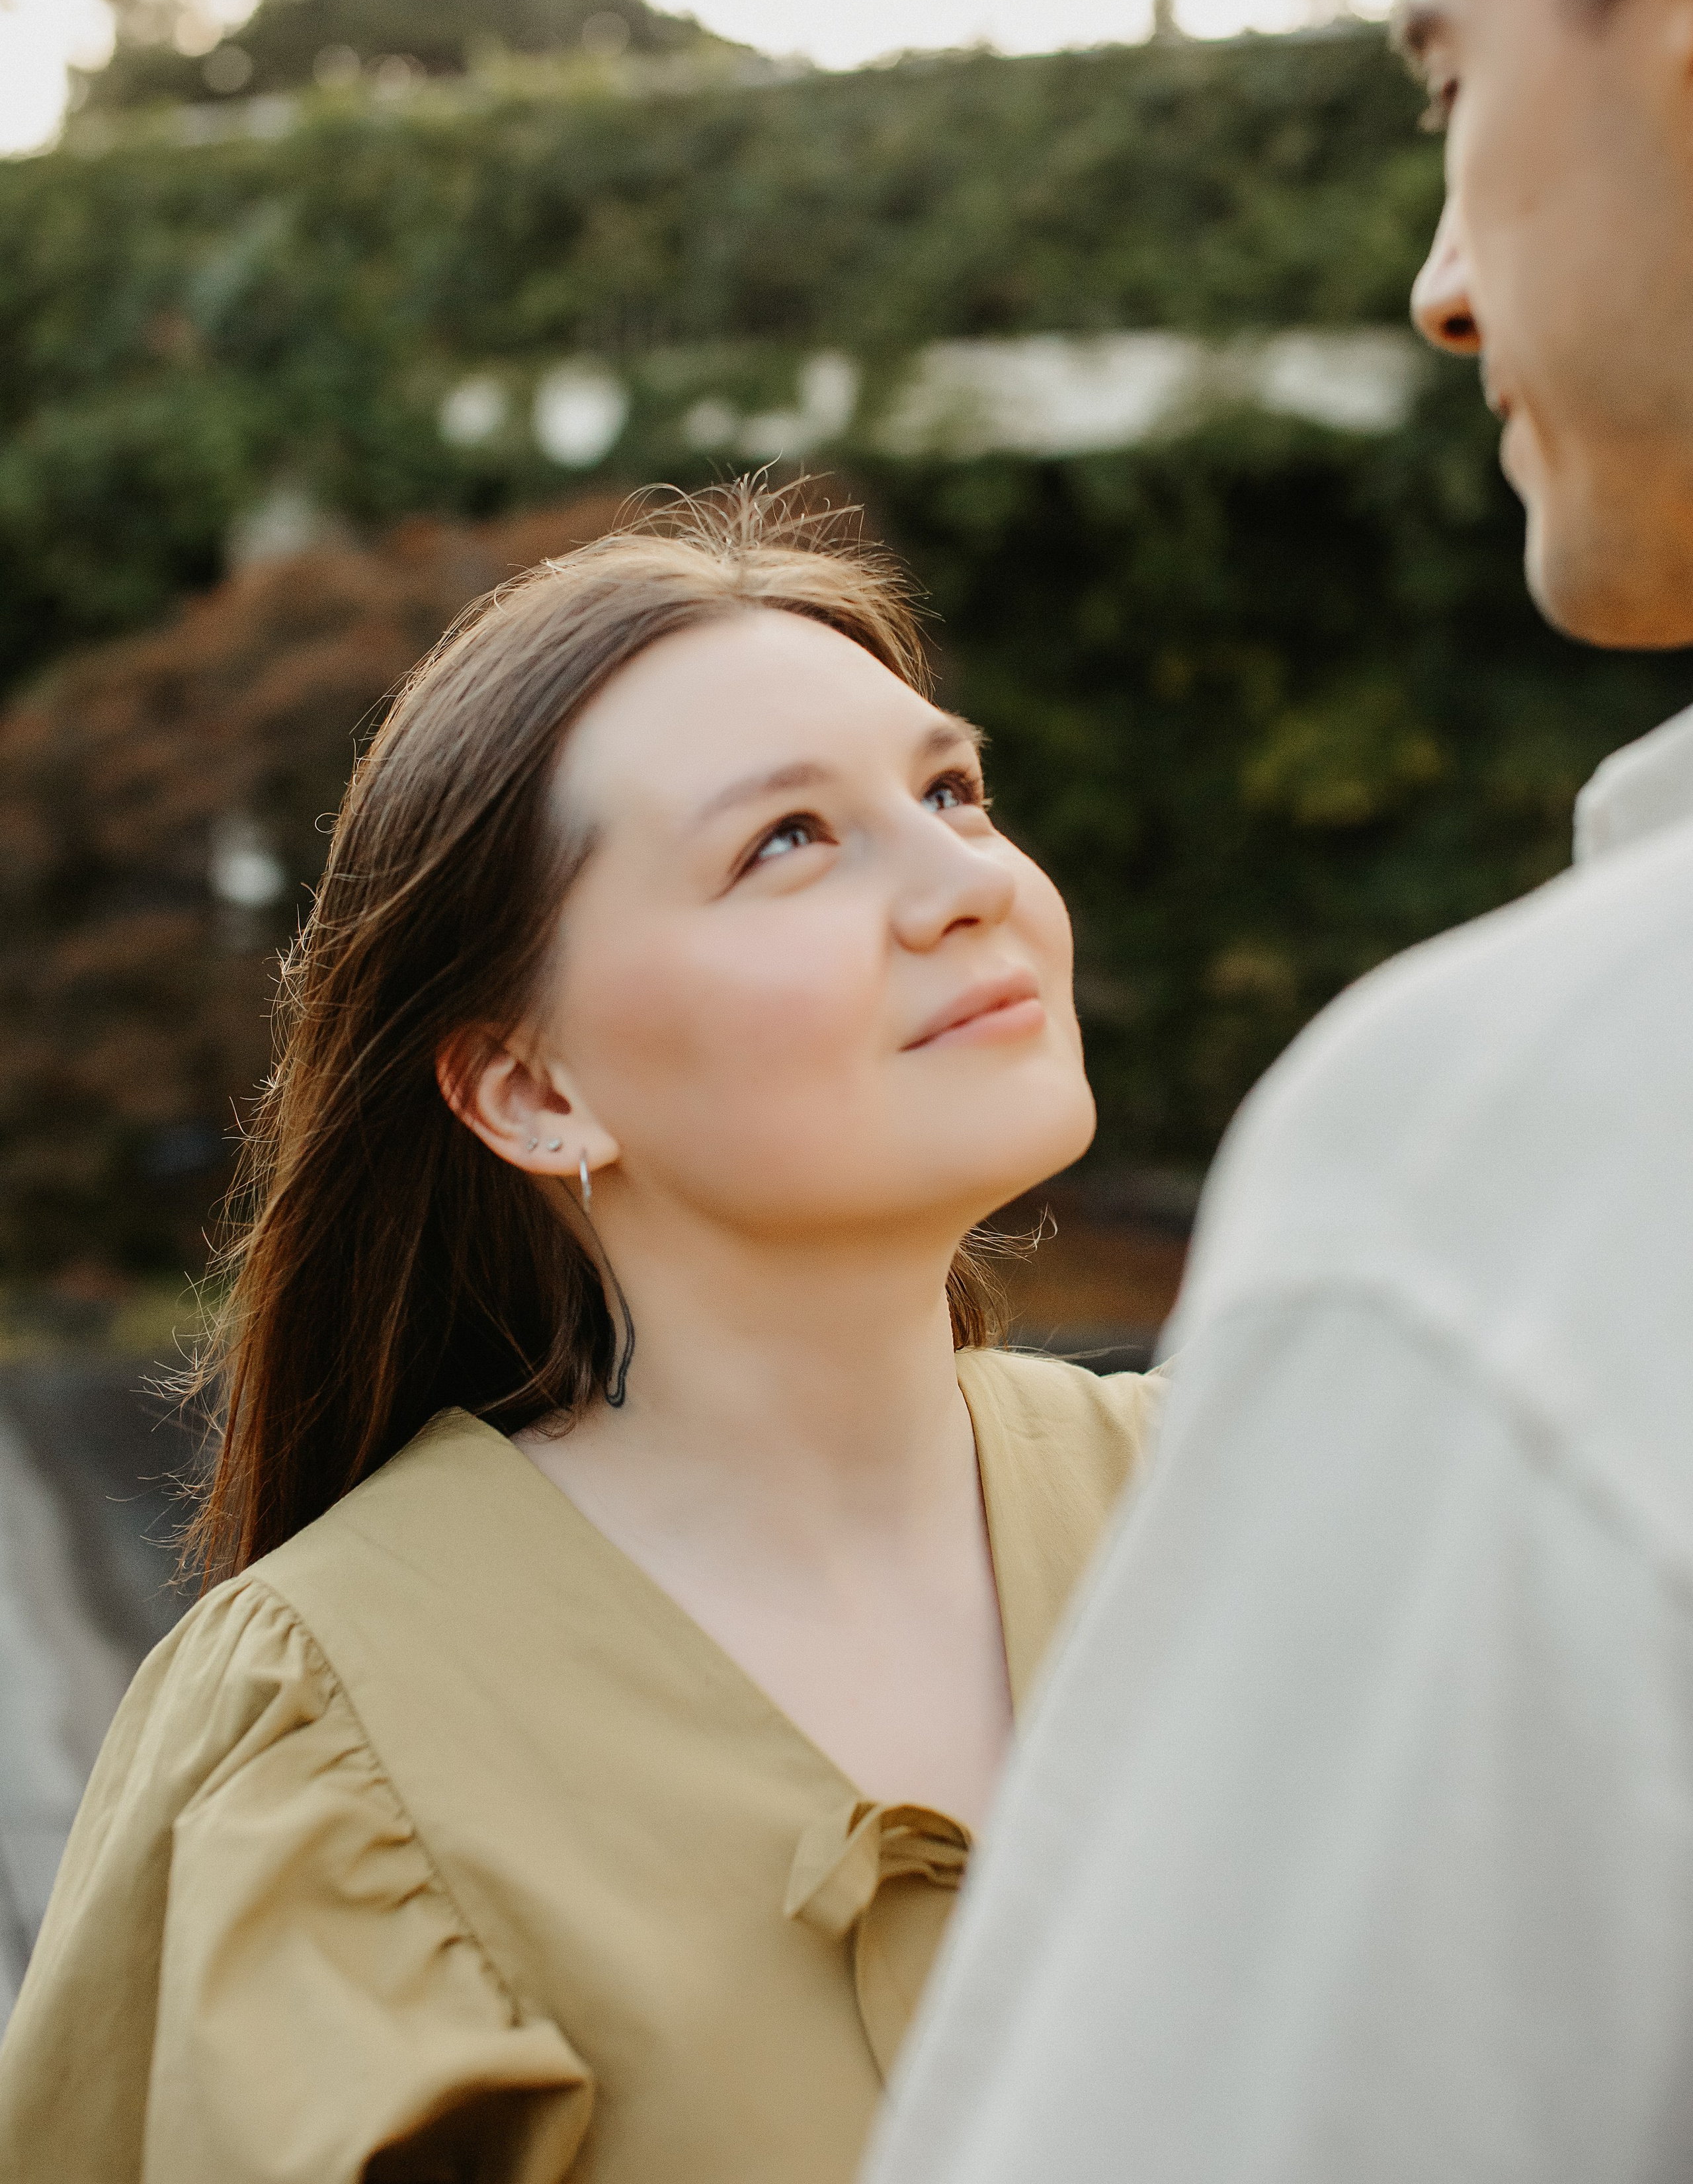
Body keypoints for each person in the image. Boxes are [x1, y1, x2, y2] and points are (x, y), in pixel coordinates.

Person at [865, 0, 1693, 2179]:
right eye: (787, 836)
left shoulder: (1508, 1187)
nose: (1445, 278)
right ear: (514, 1067)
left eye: (1451, 83)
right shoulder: (310, 1706)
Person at [0, 493, 1165, 2184]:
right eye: (786, 841)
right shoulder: (322, 1738)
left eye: (949, 791)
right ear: (533, 1091)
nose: (962, 886)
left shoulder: (1253, 1508)